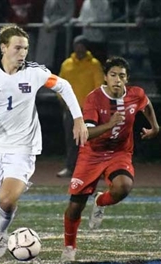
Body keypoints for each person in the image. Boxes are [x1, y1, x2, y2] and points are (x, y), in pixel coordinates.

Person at [0, 24, 88, 264]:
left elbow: (64, 86)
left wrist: (78, 119)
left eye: (25, 48)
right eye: (18, 47)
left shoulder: (34, 72)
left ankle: (2, 231)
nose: (23, 52)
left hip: (22, 149)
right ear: (4, 48)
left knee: (6, 201)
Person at [60, 56, 160, 261]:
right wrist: (110, 124)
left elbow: (146, 104)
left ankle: (100, 201)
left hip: (119, 153)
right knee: (75, 207)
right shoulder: (94, 98)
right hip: (92, 154)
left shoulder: (135, 93)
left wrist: (155, 127)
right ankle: (70, 246)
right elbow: (86, 133)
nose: (117, 79)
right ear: (105, 77)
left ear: (127, 78)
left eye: (121, 76)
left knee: (123, 187)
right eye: (113, 75)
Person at [56, 35, 104, 178]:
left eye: (81, 45)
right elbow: (59, 84)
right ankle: (71, 168)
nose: (79, 48)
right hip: (71, 109)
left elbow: (99, 85)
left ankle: (96, 169)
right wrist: (62, 100)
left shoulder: (94, 64)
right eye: (77, 45)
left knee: (92, 140)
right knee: (71, 140)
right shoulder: (67, 64)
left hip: (88, 110)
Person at [135, 0, 161, 95]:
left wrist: (145, 21)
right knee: (157, 73)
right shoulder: (144, 2)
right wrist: (143, 21)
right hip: (152, 44)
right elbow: (138, 18)